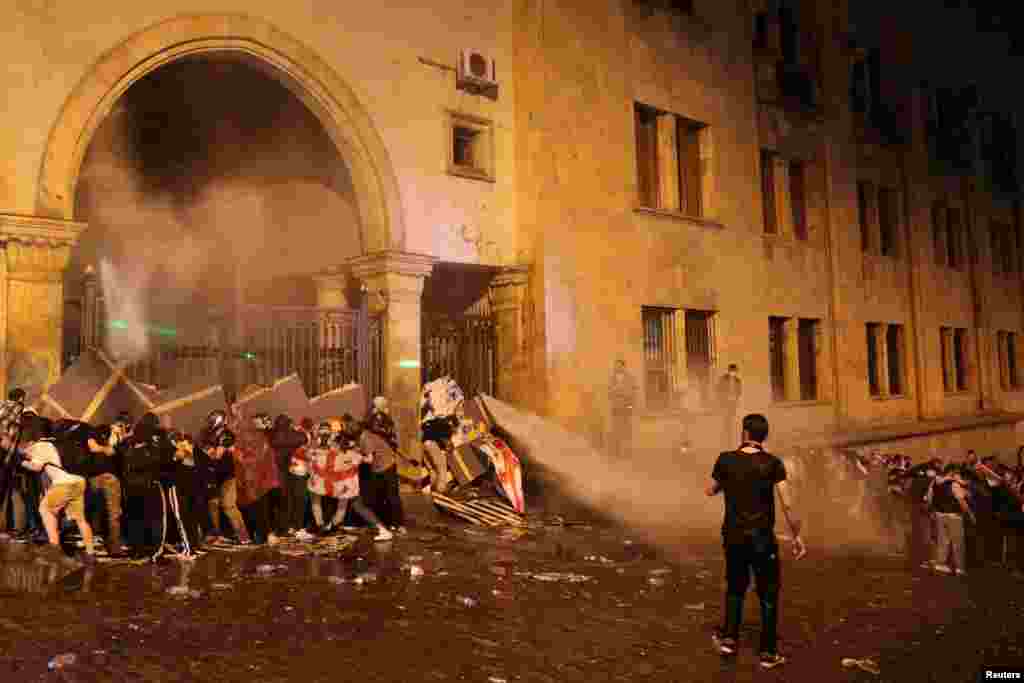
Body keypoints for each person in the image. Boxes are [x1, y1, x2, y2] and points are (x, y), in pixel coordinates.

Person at [706, 413, 806, 670]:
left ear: (744, 433)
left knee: (735, 587)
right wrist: (797, 535)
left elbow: (711, 489)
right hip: (762, 539)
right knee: (768, 594)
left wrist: (725, 483)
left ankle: (729, 639)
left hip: (733, 537)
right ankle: (768, 653)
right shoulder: (773, 463)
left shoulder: (726, 459)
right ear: (764, 436)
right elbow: (788, 503)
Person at [12, 413, 96, 564]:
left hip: (63, 483)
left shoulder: (40, 445)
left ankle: (54, 548)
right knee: (80, 519)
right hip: (79, 481)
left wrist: (19, 462)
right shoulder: (58, 442)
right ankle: (90, 553)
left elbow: (36, 467)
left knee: (44, 509)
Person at [361, 399, 406, 533]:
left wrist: (357, 457)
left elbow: (368, 458)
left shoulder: (368, 434)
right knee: (389, 496)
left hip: (382, 466)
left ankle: (392, 523)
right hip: (386, 464)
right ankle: (394, 523)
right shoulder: (387, 426)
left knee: (386, 497)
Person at [928, 464, 975, 576]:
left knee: (942, 540)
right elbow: (961, 501)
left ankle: (941, 564)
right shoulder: (954, 484)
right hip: (954, 515)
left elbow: (929, 497)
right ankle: (959, 567)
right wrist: (970, 514)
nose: (959, 475)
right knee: (957, 542)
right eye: (957, 472)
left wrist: (933, 510)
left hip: (939, 514)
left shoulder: (935, 482)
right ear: (953, 472)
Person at [269, 414, 309, 537]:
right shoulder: (293, 435)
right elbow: (304, 438)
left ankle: (282, 528)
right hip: (292, 471)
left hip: (277, 472)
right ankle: (295, 526)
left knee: (282, 502)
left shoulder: (271, 436)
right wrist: (295, 429)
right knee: (297, 499)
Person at [608, 359, 636, 459]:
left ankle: (627, 452)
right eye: (616, 366)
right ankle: (616, 452)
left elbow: (632, 392)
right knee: (616, 429)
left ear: (624, 367)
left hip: (626, 407)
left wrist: (630, 406)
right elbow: (609, 391)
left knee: (627, 429)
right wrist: (616, 391)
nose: (617, 368)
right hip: (616, 407)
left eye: (619, 366)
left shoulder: (630, 378)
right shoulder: (612, 378)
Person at [717, 364, 742, 449]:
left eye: (735, 372)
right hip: (725, 404)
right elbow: (719, 390)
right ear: (729, 371)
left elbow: (739, 391)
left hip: (733, 404)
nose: (733, 373)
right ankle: (726, 440)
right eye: (732, 371)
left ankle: (731, 439)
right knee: (725, 422)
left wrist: (735, 398)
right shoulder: (723, 379)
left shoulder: (738, 380)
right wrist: (725, 398)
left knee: (732, 421)